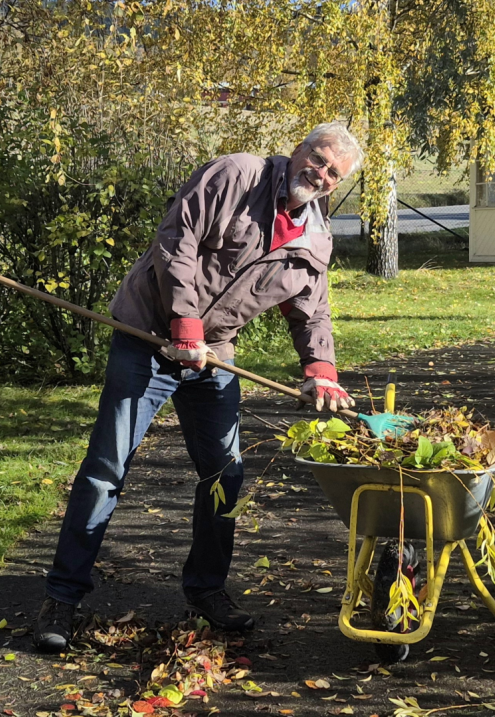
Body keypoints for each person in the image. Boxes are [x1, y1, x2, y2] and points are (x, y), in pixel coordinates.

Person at [33, 122, 364, 652]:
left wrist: (320, 367)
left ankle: (206, 590)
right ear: (298, 149)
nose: (321, 175)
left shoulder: (315, 235)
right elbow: (176, 241)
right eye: (318, 160)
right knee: (106, 469)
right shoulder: (238, 175)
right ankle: (62, 597)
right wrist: (183, 323)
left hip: (214, 354)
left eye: (333, 174)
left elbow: (311, 309)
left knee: (224, 474)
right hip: (148, 336)